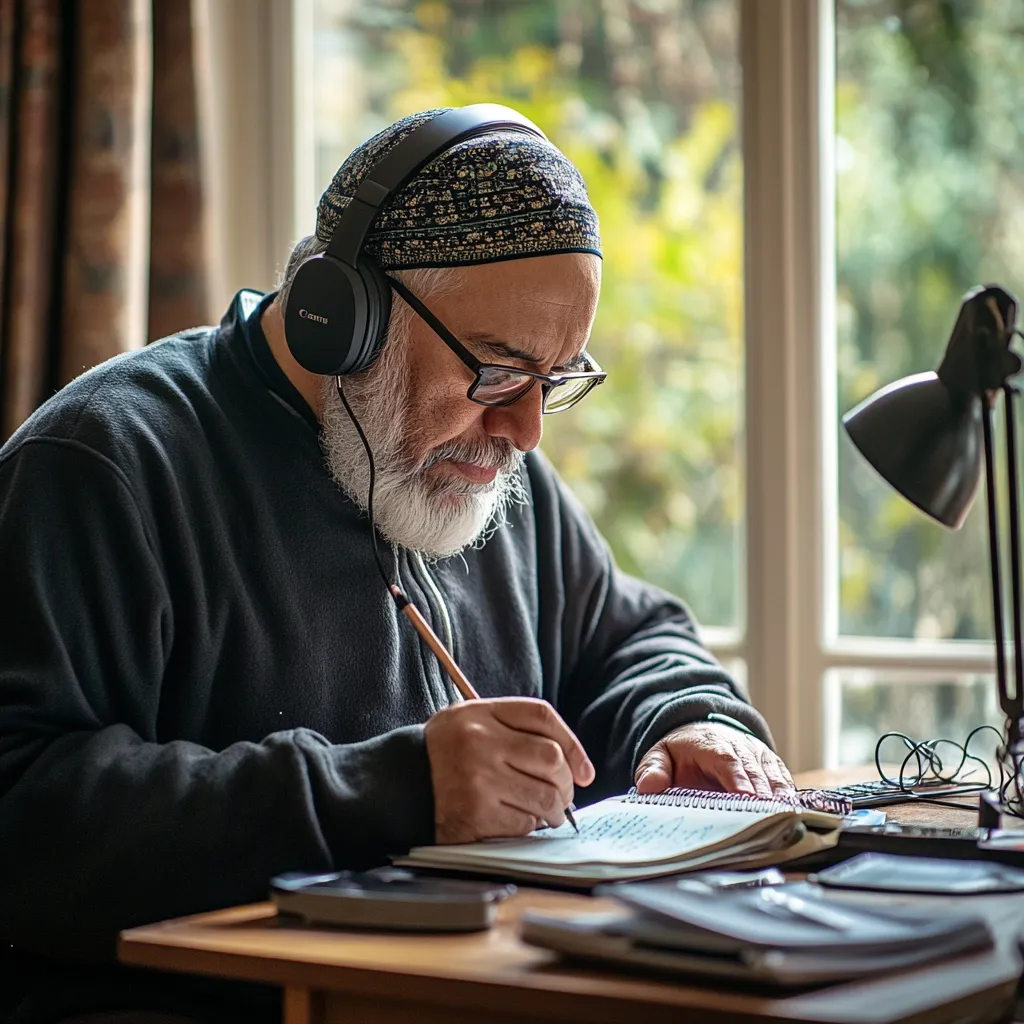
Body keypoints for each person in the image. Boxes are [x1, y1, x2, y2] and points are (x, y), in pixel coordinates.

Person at [0, 106, 792, 1022]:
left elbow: (629, 638)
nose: (526, 431)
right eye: (496, 371)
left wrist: (689, 721)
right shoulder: (108, 464)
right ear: (341, 314)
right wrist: (391, 793)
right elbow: (23, 805)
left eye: (557, 380)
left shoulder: (482, 467)